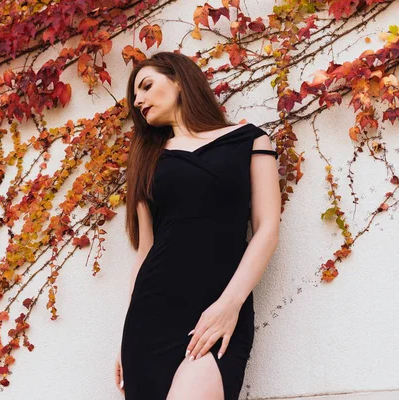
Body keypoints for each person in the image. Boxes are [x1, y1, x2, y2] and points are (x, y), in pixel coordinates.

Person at [114, 51, 281, 399]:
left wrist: (229, 304)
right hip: (150, 320)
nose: (138, 100)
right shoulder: (147, 161)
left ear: (178, 80)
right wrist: (124, 336)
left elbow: (267, 228)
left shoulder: (248, 140)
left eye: (146, 86)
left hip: (218, 309)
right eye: (135, 97)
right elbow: (146, 251)